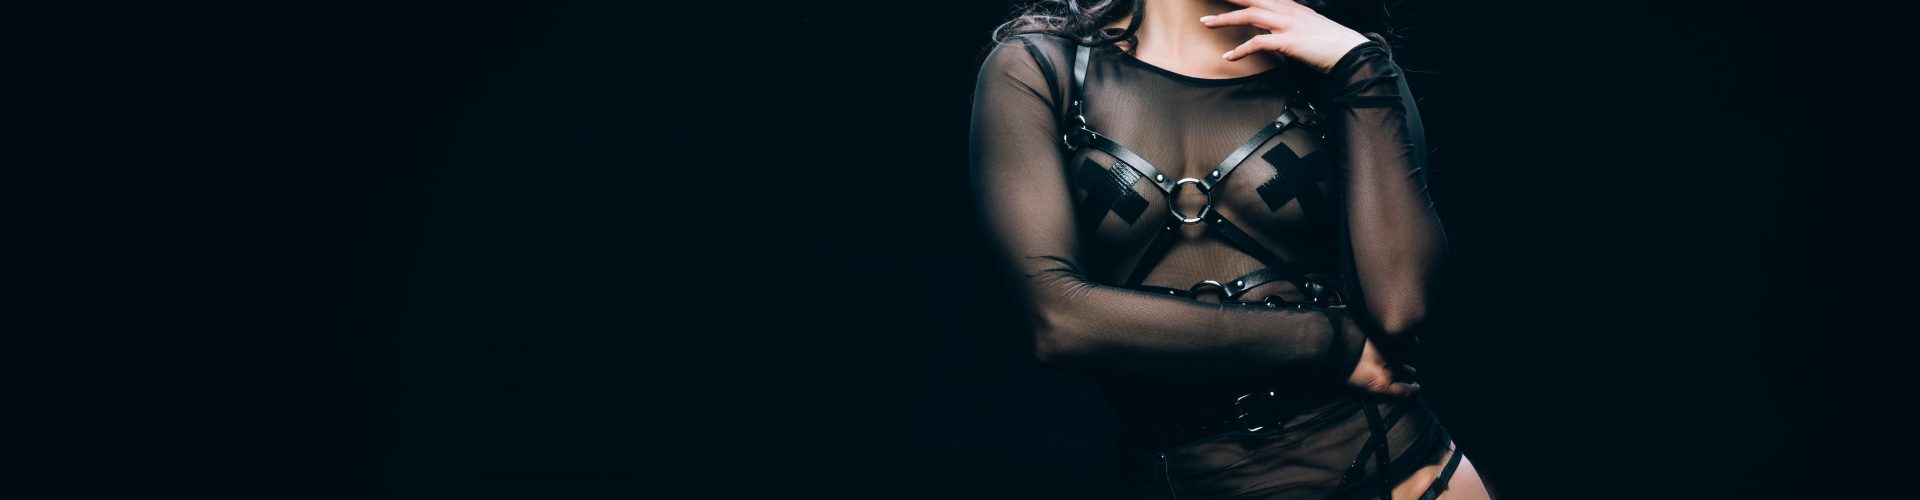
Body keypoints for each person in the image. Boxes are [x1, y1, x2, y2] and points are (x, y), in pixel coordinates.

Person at [967, 0, 1493, 498]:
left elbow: (1400, 310)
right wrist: (1329, 344)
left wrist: (1362, 69)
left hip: (1398, 474)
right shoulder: (1042, 69)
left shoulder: (1345, 64)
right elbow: (1060, 321)